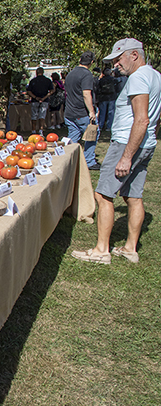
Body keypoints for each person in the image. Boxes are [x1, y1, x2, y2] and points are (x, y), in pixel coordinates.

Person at [71, 38, 160, 264]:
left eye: (119, 59)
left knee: (103, 195)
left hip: (126, 143)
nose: (116, 65)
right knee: (133, 196)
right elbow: (155, 117)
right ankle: (130, 248)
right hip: (146, 143)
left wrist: (126, 156)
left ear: (134, 55)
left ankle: (101, 250)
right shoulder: (155, 75)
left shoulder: (138, 77)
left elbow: (141, 119)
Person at [64, 51, 100, 169]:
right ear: (92, 62)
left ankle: (67, 160)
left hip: (69, 112)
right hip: (81, 112)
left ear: (80, 60)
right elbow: (86, 94)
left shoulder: (70, 74)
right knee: (92, 134)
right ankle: (89, 161)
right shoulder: (86, 74)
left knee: (73, 137)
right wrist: (91, 111)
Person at [27, 67, 54, 134]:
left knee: (34, 116)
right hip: (44, 100)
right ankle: (40, 130)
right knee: (42, 116)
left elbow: (29, 91)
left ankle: (33, 130)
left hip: (35, 100)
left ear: (36, 72)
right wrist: (45, 97)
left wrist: (35, 97)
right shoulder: (47, 80)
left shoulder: (33, 81)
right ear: (43, 72)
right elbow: (52, 90)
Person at [97, 68, 117, 133]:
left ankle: (100, 125)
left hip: (103, 97)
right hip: (112, 97)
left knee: (102, 112)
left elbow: (98, 88)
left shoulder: (101, 80)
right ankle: (109, 126)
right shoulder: (113, 79)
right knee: (111, 113)